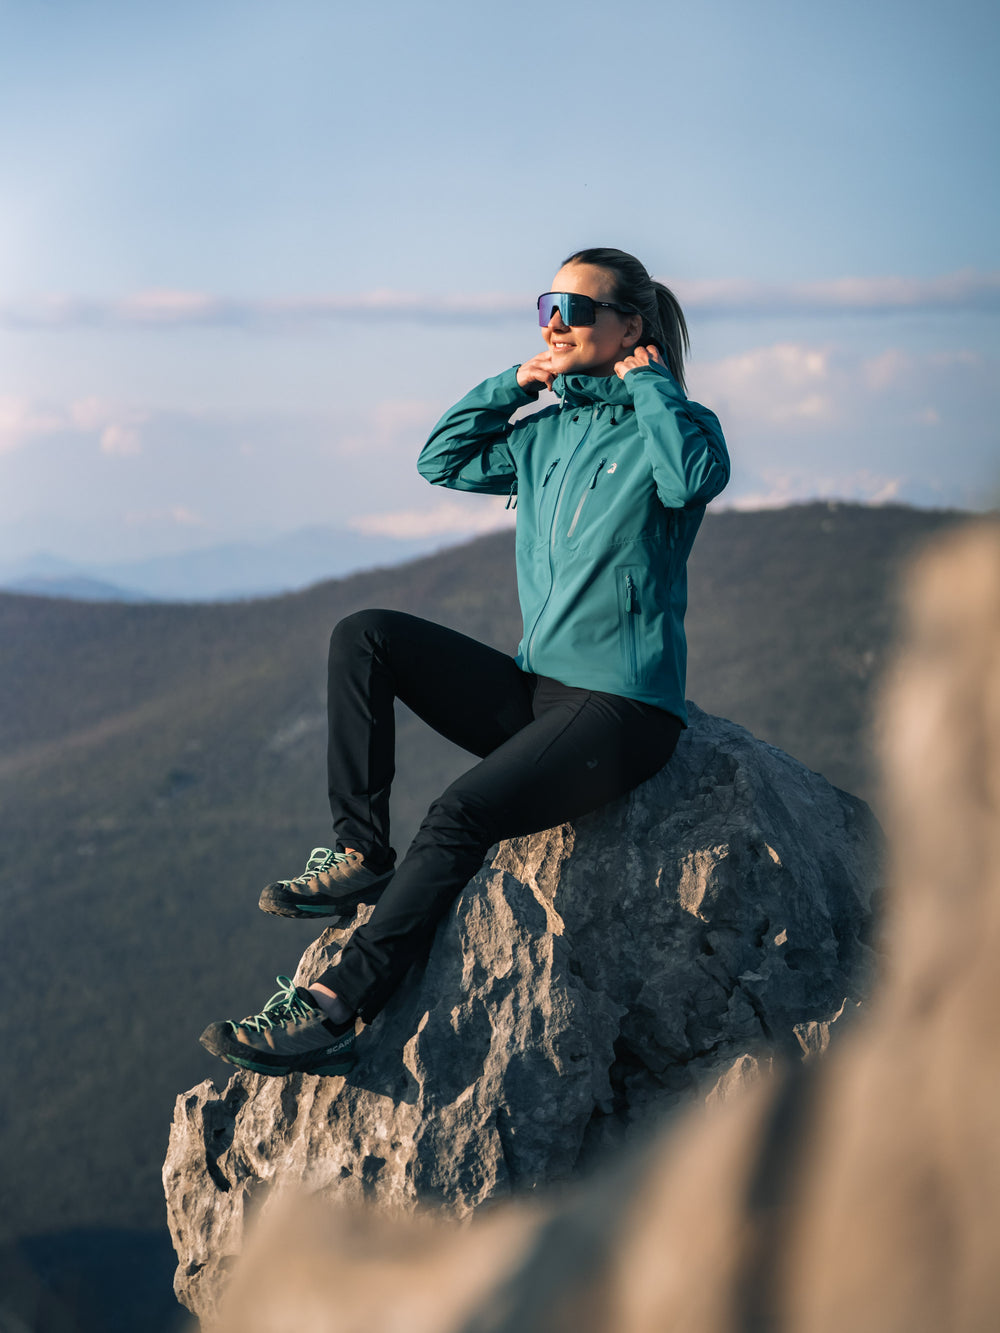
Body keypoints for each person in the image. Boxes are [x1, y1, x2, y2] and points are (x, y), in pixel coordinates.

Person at [199, 247, 731, 1078]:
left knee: (458, 813)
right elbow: (440, 459)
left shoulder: (679, 427)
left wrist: (652, 384)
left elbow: (690, 480)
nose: (554, 324)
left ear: (630, 326)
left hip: (625, 711)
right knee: (365, 633)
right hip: (539, 692)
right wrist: (515, 384)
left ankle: (336, 1004)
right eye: (546, 306)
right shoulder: (546, 433)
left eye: (575, 309)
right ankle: (360, 852)